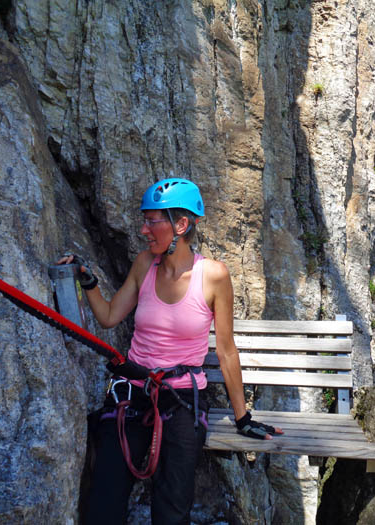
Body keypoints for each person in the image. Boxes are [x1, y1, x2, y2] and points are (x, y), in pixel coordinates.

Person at [58, 178, 281, 524]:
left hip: (180, 400)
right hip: (133, 391)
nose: (144, 229)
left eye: (152, 221)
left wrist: (243, 419)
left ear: (181, 224)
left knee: (173, 508)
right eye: (144, 220)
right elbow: (108, 317)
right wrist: (87, 281)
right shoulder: (145, 264)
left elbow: (226, 351)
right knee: (104, 500)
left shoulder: (213, 276)